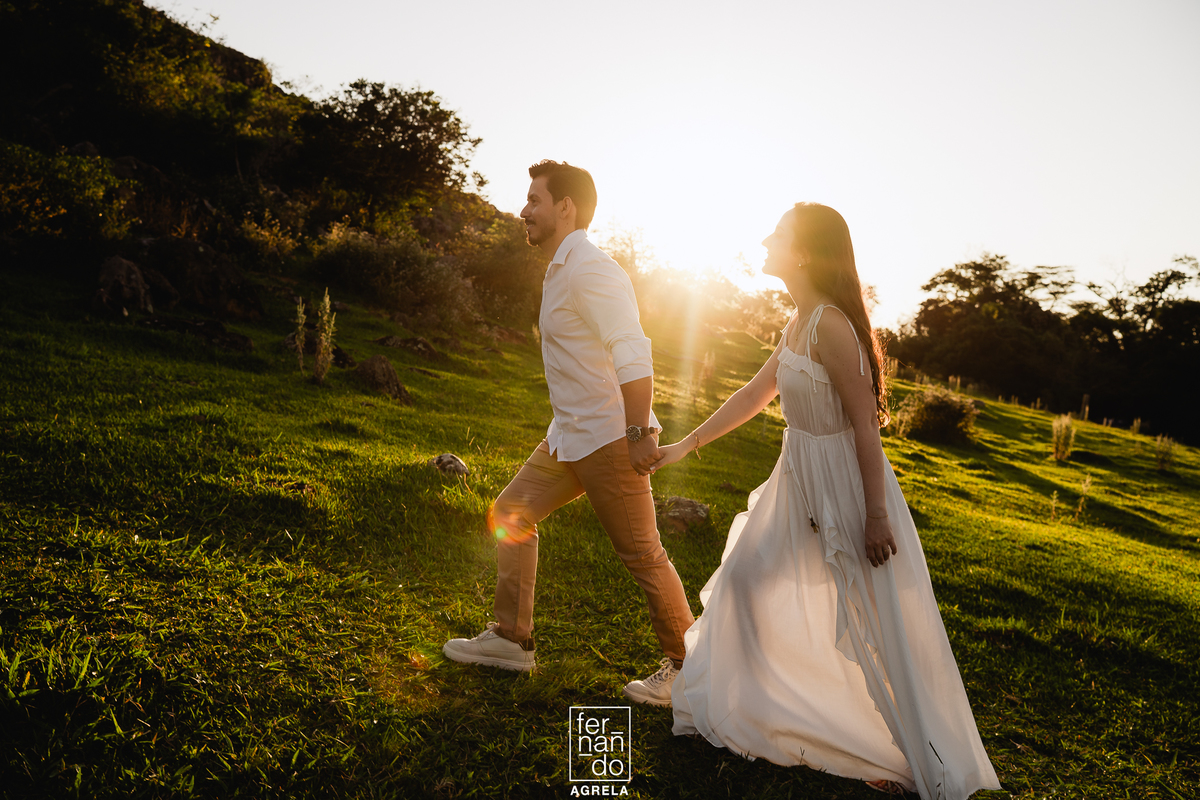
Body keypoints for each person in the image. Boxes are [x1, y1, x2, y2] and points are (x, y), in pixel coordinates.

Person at [650, 204, 1001, 799]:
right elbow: (754, 394)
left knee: (876, 616)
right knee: (742, 581)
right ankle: (761, 707)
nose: (765, 240)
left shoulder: (831, 325)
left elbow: (866, 428)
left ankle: (919, 757)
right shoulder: (797, 321)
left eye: (778, 235)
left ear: (806, 252)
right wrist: (686, 444)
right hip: (798, 477)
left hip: (846, 483)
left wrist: (876, 515)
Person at [442, 160, 694, 705]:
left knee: (643, 555)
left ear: (566, 207)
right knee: (510, 513)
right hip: (567, 436)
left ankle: (689, 669)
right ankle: (512, 640)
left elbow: (633, 348)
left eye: (534, 199)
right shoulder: (559, 268)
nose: (523, 210)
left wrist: (636, 431)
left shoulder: (591, 269)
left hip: (608, 438)